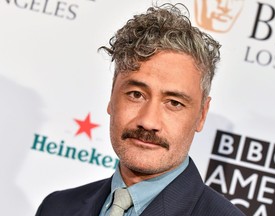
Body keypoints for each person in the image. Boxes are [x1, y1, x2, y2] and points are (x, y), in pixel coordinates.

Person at [35, 4, 245, 216]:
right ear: (111, 96)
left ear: (201, 114)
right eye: (136, 94)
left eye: (174, 102)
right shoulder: (56, 207)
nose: (148, 121)